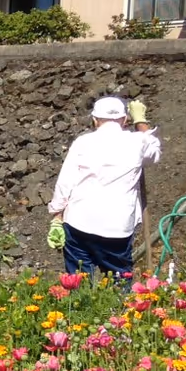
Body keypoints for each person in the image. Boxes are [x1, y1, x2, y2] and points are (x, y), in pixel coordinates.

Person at [47, 95, 159, 275]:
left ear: (95, 120)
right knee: (119, 278)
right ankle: (120, 302)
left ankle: (79, 302)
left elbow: (65, 181)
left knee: (79, 280)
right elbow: (154, 151)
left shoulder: (83, 143)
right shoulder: (138, 142)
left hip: (79, 220)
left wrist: (57, 214)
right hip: (117, 225)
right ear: (124, 119)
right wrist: (140, 121)